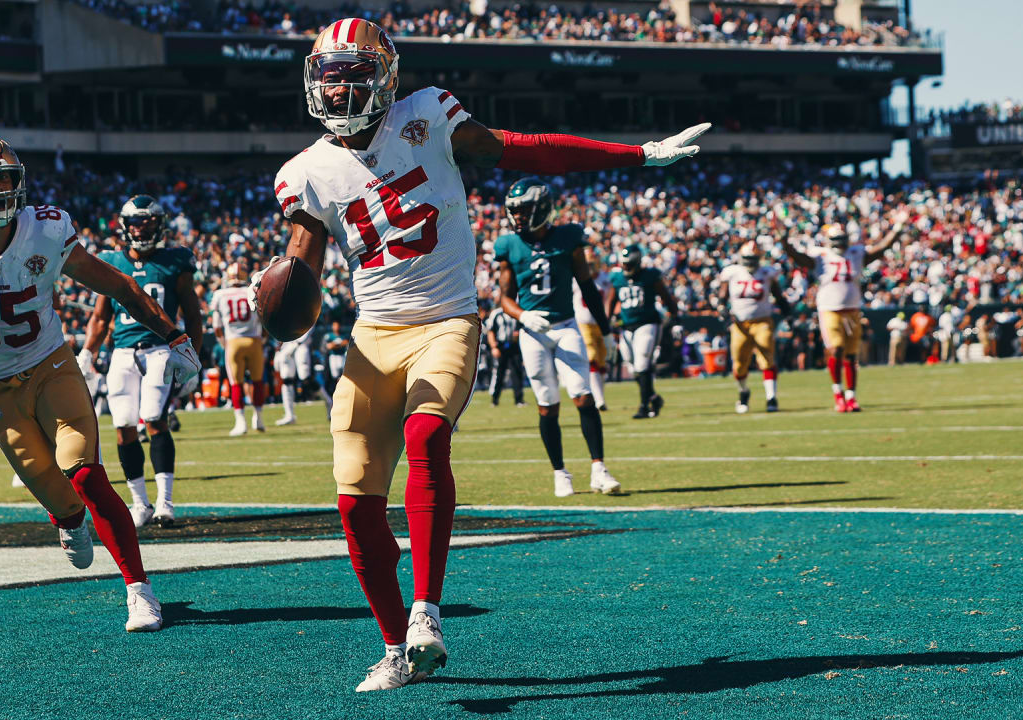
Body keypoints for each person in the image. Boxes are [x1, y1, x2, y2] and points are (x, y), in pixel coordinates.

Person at [254, 18, 706, 692]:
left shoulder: (428, 113)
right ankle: (392, 648)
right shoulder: (305, 173)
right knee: (354, 501)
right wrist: (278, 303)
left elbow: (522, 149)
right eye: (328, 73)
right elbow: (301, 267)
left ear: (382, 78)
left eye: (352, 73)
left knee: (428, 434)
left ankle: (426, 614)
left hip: (445, 322)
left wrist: (634, 155)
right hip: (373, 337)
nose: (338, 86)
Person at [0, 134, 201, 632]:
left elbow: (115, 283)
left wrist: (173, 334)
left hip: (50, 365)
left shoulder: (45, 229)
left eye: (4, 178)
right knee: (57, 496)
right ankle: (68, 520)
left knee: (83, 472)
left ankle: (140, 590)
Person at [78, 195, 202, 529]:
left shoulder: (176, 260)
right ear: (124, 225)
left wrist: (194, 357)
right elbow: (101, 317)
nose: (140, 228)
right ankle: (140, 503)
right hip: (121, 353)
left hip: (160, 349)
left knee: (154, 419)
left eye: (147, 222)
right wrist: (88, 353)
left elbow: (192, 312)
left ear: (159, 225)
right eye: (135, 222)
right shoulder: (111, 260)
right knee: (123, 427)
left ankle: (165, 501)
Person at [494, 176, 619, 497]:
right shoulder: (509, 245)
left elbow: (587, 286)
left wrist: (605, 332)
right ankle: (560, 472)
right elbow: (504, 298)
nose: (517, 216)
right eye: (515, 210)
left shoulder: (568, 238)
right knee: (547, 405)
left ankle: (599, 469)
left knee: (583, 395)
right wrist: (524, 316)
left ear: (542, 208)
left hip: (565, 326)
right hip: (533, 332)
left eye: (524, 210)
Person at [780, 221, 905, 412]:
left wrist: (897, 228)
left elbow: (882, 248)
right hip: (830, 309)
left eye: (842, 239)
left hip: (853, 310)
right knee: (836, 349)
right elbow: (798, 257)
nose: (839, 243)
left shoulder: (856, 254)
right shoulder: (820, 256)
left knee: (851, 355)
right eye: (836, 239)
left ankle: (851, 396)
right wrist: (784, 242)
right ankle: (838, 393)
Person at [608, 245, 679, 419]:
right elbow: (611, 301)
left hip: (647, 324)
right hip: (626, 327)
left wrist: (673, 313)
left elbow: (666, 296)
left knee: (642, 365)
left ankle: (643, 406)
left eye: (629, 263)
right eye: (624, 263)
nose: (626, 267)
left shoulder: (650, 276)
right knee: (633, 369)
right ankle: (653, 398)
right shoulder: (617, 278)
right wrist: (606, 321)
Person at [717, 241, 788, 413]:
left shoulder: (766, 272)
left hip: (762, 320)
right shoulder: (732, 272)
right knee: (739, 363)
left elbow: (777, 294)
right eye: (747, 258)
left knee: (766, 355)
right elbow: (723, 293)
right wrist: (721, 307)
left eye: (753, 258)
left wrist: (786, 310)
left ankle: (771, 398)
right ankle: (743, 392)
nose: (750, 262)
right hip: (739, 324)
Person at [210, 263, 267, 436]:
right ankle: (258, 418)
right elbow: (263, 318)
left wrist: (223, 343)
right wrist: (263, 339)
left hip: (233, 342)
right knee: (257, 381)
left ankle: (240, 422)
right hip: (254, 340)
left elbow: (216, 326)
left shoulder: (220, 295)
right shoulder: (253, 291)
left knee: (236, 384)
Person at [572, 246, 613, 410]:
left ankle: (600, 396)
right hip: (584, 323)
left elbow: (610, 299)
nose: (589, 268)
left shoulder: (605, 278)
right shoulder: (575, 279)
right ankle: (598, 399)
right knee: (592, 357)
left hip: (600, 323)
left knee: (602, 360)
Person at [274, 325, 316, 426]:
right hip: (288, 343)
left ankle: (328, 402)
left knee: (305, 378)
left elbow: (312, 320)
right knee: (287, 380)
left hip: (301, 343)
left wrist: (300, 340)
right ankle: (289, 415)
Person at [483, 303, 524, 407]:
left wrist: (518, 335)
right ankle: (495, 399)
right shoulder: (496, 314)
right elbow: (490, 331)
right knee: (499, 373)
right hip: (501, 346)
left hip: (514, 346)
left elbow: (521, 329)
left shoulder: (516, 312)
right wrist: (494, 347)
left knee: (517, 372)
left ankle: (519, 399)